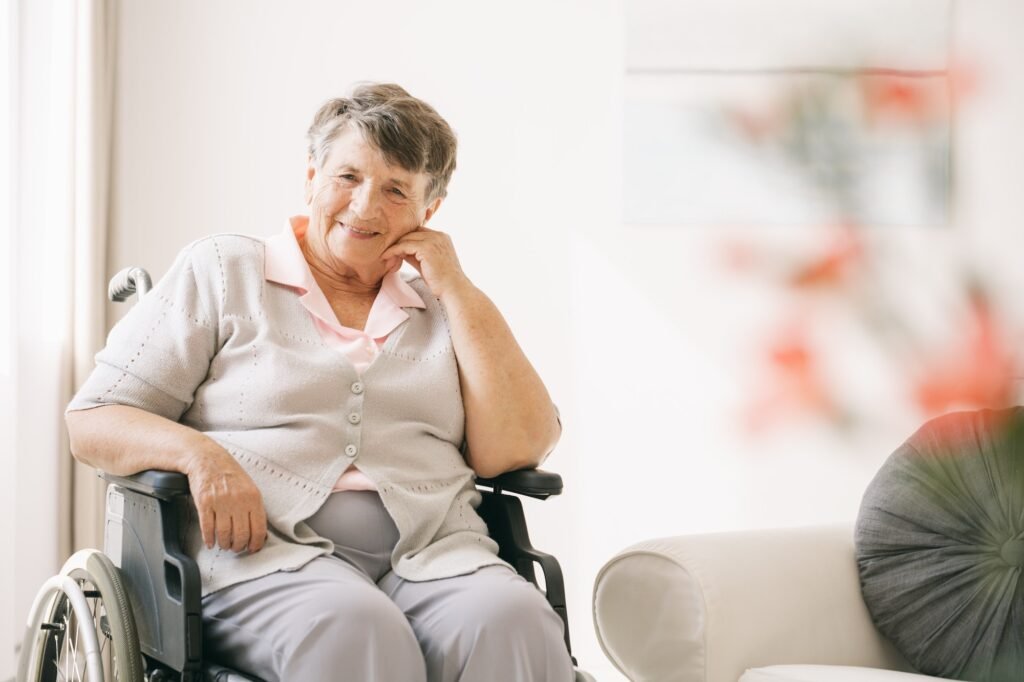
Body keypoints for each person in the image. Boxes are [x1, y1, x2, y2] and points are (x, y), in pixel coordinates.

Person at [65, 82, 573, 681]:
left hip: (435, 552)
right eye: (348, 177)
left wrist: (458, 288)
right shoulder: (226, 271)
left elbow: (516, 449)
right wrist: (200, 455)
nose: (364, 207)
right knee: (354, 628)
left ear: (427, 213)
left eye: (395, 190)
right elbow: (93, 420)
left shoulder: (444, 309)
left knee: (513, 619)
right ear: (312, 176)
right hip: (262, 556)